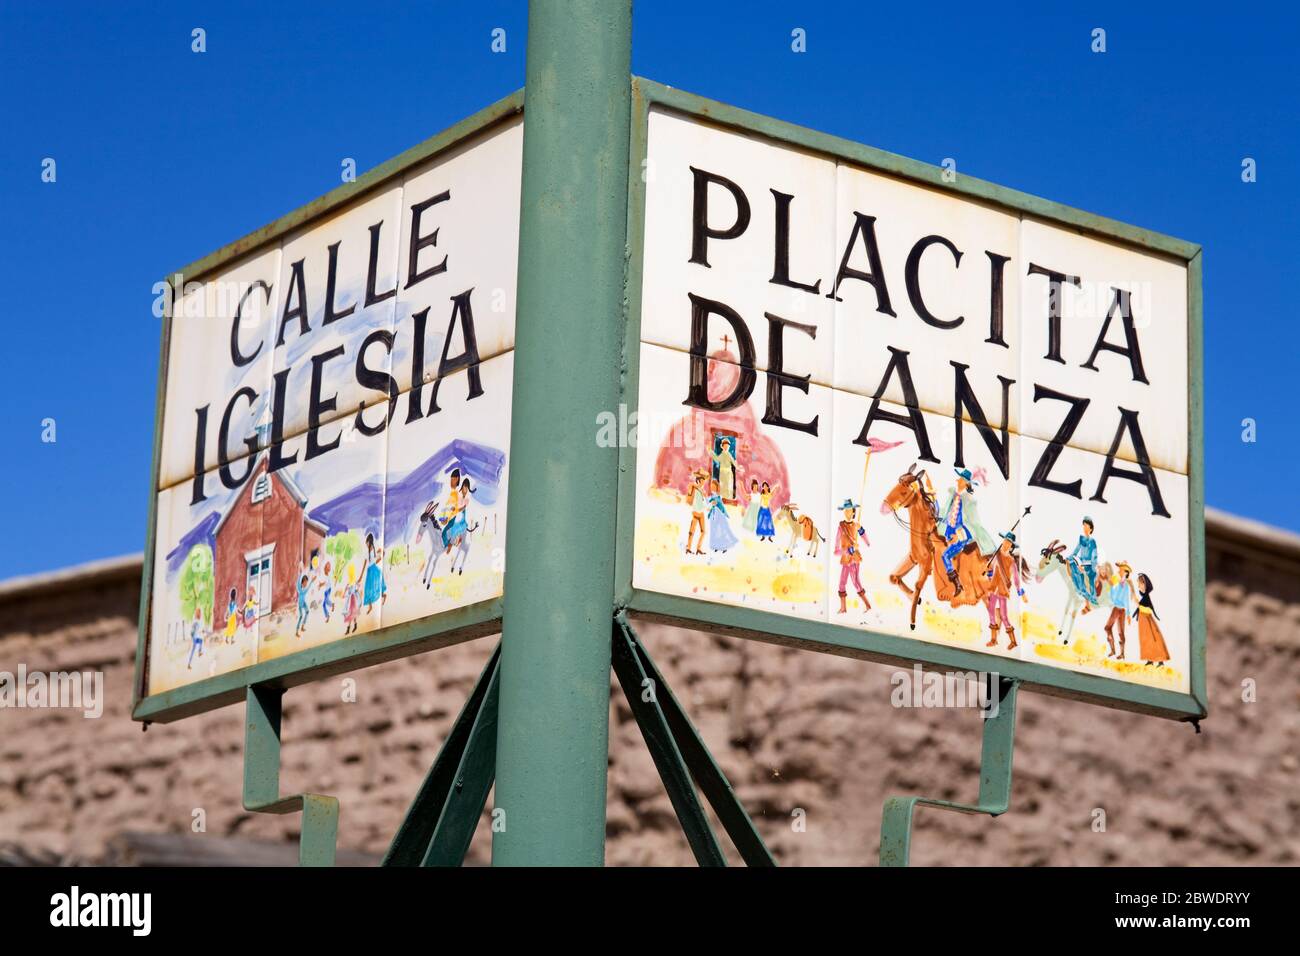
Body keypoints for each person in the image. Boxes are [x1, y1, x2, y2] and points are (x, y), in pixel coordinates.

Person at [938, 469, 995, 594]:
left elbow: (974, 525)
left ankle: (958, 585)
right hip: (947, 531)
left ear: (965, 483)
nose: (957, 480)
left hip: (960, 536)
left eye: (960, 479)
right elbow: (943, 513)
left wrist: (958, 537)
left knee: (945, 555)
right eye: (958, 478)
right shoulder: (953, 496)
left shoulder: (969, 500)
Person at [983, 532, 1024, 649]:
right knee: (991, 612)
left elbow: (1016, 578)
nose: (1006, 544)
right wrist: (987, 570)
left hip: (1002, 590)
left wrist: (1020, 591)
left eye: (1009, 543)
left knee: (1004, 616)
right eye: (1005, 541)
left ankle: (1013, 641)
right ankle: (993, 639)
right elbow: (991, 570)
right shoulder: (996, 556)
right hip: (993, 587)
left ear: (1011, 547)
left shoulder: (1011, 561)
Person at [834, 498, 871, 613]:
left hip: (854, 558)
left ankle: (868, 605)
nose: (847, 512)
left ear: (853, 512)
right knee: (841, 583)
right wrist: (839, 551)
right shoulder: (841, 526)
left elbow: (863, 533)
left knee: (856, 582)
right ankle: (843, 608)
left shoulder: (856, 525)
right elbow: (837, 543)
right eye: (845, 510)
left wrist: (867, 542)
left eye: (849, 510)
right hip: (845, 558)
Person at [1133, 572, 1170, 666]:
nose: (1139, 586)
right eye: (1138, 584)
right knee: (1146, 640)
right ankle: (1150, 659)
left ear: (1145, 584)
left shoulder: (1146, 598)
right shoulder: (1144, 597)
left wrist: (1136, 603)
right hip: (1143, 621)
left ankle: (1159, 660)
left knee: (1152, 639)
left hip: (1147, 621)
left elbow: (1148, 609)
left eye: (1140, 584)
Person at [1104, 561, 1138, 658]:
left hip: (1117, 609)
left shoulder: (1123, 584)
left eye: (1121, 569)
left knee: (1108, 628)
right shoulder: (1121, 583)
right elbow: (1120, 598)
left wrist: (1128, 614)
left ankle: (1115, 651)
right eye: (1119, 569)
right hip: (1121, 610)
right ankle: (1121, 653)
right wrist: (1127, 614)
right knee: (1120, 632)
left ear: (1125, 572)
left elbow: (1120, 598)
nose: (1119, 570)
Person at [1069, 518, 1100, 612]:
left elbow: (1094, 556)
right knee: (1072, 566)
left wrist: (1085, 565)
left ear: (1091, 529)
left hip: (1090, 565)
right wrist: (1069, 558)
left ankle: (1089, 603)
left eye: (1086, 526)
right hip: (1081, 563)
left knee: (1087, 576)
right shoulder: (1081, 539)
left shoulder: (1092, 541)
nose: (1084, 527)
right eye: (1084, 525)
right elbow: (1075, 551)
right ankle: (1083, 598)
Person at [706, 479, 739, 552]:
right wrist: (711, 504)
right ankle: (716, 545)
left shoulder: (718, 496)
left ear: (716, 487)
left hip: (719, 514)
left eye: (714, 486)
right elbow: (707, 505)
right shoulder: (710, 496)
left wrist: (716, 504)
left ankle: (724, 546)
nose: (712, 488)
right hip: (713, 515)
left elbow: (721, 504)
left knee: (722, 529)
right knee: (714, 530)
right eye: (711, 486)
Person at [685, 469, 709, 555]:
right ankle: (688, 547)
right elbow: (691, 486)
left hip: (701, 512)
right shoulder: (693, 487)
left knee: (703, 531)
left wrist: (708, 505)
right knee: (692, 531)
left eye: (704, 480)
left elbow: (705, 502)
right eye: (702, 480)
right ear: (698, 480)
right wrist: (699, 488)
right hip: (695, 512)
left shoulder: (703, 491)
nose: (703, 482)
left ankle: (698, 548)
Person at [342, 564, 361, 636]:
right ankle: (351, 627)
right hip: (350, 601)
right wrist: (346, 590)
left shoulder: (354, 582)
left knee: (352, 614)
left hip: (353, 600)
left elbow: (356, 589)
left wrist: (355, 587)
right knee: (351, 614)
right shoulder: (349, 583)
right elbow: (346, 594)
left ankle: (350, 627)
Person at [295, 572, 311, 637]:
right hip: (300, 603)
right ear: (302, 582)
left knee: (307, 611)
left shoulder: (305, 588)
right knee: (301, 616)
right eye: (305, 583)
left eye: (306, 583)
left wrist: (311, 581)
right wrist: (300, 573)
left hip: (303, 602)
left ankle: (302, 626)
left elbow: (308, 587)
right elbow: (298, 581)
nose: (306, 584)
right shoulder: (299, 588)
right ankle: (296, 631)